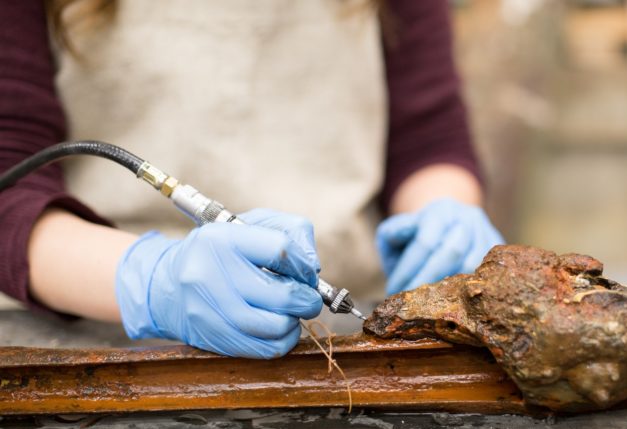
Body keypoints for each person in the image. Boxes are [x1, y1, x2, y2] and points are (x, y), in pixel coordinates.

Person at [0, 0, 504, 358]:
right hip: (93, 333)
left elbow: (428, 141)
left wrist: (443, 213)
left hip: (342, 331)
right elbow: (11, 185)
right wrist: (150, 280)